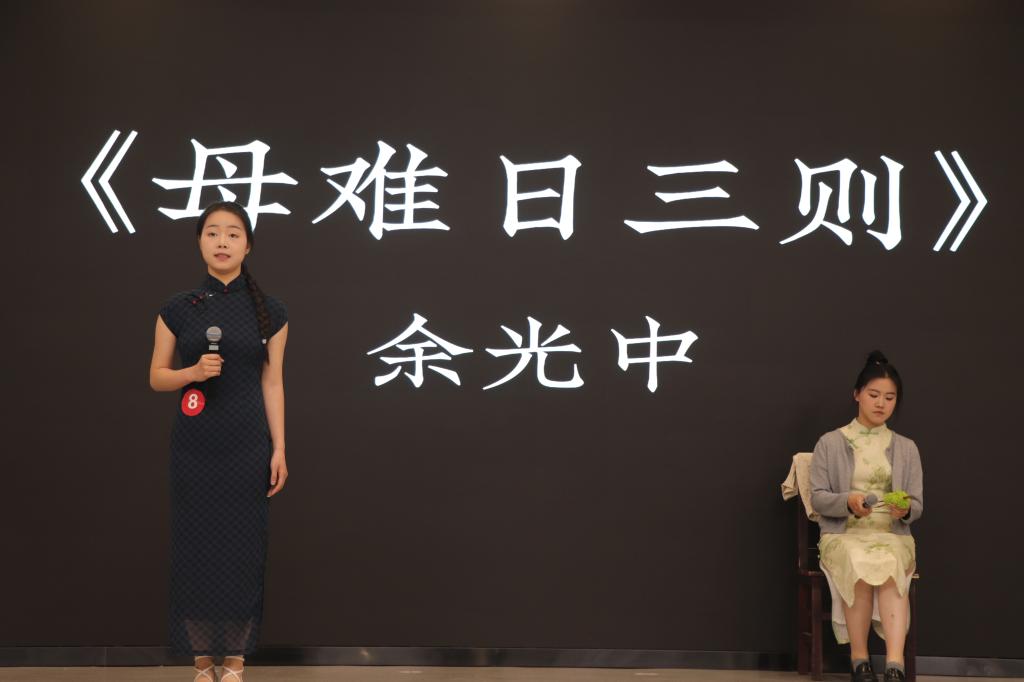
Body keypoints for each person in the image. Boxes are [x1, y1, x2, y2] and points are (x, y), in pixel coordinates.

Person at [149, 201, 289, 681]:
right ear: (200, 243)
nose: (222, 241)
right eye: (212, 233)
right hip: (195, 445)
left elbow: (273, 382)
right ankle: (202, 660)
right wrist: (190, 372)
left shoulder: (271, 311)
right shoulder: (177, 308)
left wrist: (279, 447)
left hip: (248, 443)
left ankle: (235, 660)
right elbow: (156, 376)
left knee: (243, 550)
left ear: (248, 245)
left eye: (233, 233)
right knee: (196, 548)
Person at [810, 351, 923, 682]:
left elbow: (917, 505)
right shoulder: (830, 443)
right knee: (856, 559)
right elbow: (818, 499)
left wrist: (905, 509)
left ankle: (895, 665)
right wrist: (848, 501)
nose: (881, 403)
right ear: (857, 394)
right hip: (843, 534)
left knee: (891, 560)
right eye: (874, 395)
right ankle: (859, 660)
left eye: (889, 397)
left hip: (892, 534)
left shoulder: (906, 448)